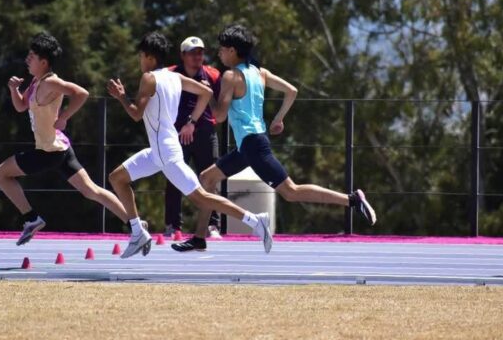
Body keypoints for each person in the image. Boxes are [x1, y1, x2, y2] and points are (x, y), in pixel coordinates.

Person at [173, 24, 377, 252]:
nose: (219, 53)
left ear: (232, 51)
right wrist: (278, 120)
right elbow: (292, 91)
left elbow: (219, 116)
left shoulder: (231, 76)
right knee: (207, 178)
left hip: (253, 146)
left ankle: (352, 199)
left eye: (222, 49)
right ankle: (200, 237)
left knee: (291, 192)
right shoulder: (261, 73)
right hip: (248, 145)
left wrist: (208, 94)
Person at [107, 32, 273, 257]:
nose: (140, 61)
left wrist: (121, 96)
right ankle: (138, 232)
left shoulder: (149, 78)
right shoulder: (174, 77)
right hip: (159, 151)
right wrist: (192, 121)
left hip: (166, 153)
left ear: (148, 57)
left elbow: (136, 114)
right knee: (117, 178)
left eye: (140, 56)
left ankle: (256, 221)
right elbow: (205, 92)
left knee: (201, 198)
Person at [0, 32, 138, 255]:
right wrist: (14, 90)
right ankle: (136, 226)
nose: (27, 59)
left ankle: (31, 218)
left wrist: (64, 117)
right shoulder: (36, 81)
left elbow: (81, 93)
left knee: (0, 174)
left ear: (44, 62)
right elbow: (21, 106)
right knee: (92, 191)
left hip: (48, 151)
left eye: (32, 56)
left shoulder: (51, 81)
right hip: (59, 148)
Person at [164, 36, 223, 238]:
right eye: (192, 52)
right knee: (174, 178)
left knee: (210, 178)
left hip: (205, 133)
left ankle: (212, 225)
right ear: (182, 55)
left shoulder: (213, 75)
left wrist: (196, 122)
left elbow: (218, 106)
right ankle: (173, 226)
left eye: (200, 52)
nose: (198, 56)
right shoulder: (171, 74)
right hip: (177, 133)